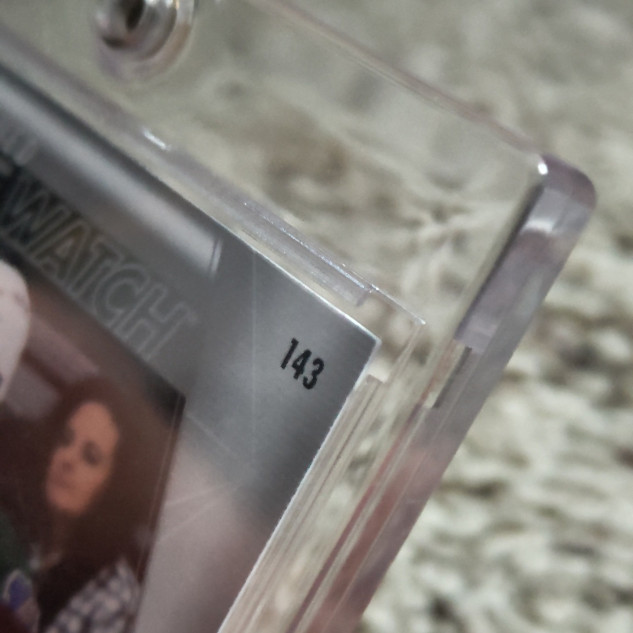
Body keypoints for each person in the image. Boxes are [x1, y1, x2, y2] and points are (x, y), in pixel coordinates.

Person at [29, 378, 167, 633]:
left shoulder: (116, 600)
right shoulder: (27, 538)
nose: (67, 458)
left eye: (90, 457)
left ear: (115, 486)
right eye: (65, 440)